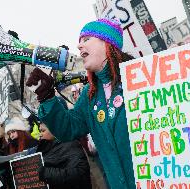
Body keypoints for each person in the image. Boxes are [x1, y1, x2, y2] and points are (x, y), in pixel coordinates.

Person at [26, 18, 136, 189]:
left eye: (86, 40)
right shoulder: (89, 94)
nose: (79, 46)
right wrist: (47, 97)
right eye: (79, 42)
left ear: (107, 43)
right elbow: (68, 128)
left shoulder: (140, 77)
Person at [37, 123, 91, 189]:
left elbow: (80, 173)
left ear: (54, 129)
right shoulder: (47, 145)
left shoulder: (70, 144)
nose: (40, 134)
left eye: (43, 131)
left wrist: (46, 173)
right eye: (40, 131)